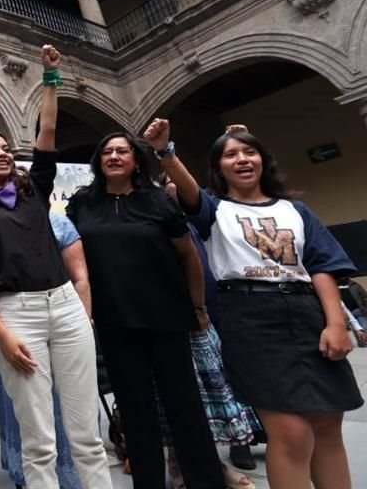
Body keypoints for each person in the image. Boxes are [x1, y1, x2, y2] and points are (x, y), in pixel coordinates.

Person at [147, 118, 363, 489]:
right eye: (231, 155)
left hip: (307, 313)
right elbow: (187, 189)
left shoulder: (296, 211)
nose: (242, 159)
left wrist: (336, 323)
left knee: (328, 425)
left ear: (264, 160)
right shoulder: (213, 211)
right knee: (291, 432)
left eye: (250, 152)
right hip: (250, 320)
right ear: (218, 168)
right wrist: (166, 151)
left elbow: (322, 267)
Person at [0, 45, 111, 489]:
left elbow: (47, 131)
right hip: (16, 314)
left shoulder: (34, 192)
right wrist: (0, 332)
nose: (2, 153)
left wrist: (50, 78)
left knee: (87, 436)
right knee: (40, 440)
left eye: (6, 148)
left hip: (65, 306)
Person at [65, 130, 224, 489]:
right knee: (135, 410)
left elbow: (188, 257)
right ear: (98, 161)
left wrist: (197, 307)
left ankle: (206, 482)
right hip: (114, 321)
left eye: (122, 151)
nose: (114, 156)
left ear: (136, 159)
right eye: (107, 152)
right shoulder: (82, 203)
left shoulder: (158, 200)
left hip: (167, 317)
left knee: (184, 405)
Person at [159, 174, 260, 489]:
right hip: (173, 318)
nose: (176, 186)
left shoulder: (200, 221)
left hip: (212, 316)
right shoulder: (156, 222)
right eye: (169, 182)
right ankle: (179, 467)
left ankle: (217, 461)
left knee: (213, 398)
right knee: (179, 400)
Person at [0, 211, 93, 488]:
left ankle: (73, 481)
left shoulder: (58, 222)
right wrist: (0, 332)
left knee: (79, 427)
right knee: (33, 431)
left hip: (66, 325)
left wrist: (82, 325)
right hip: (15, 328)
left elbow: (81, 279)